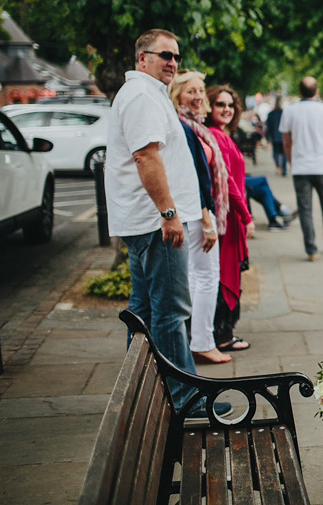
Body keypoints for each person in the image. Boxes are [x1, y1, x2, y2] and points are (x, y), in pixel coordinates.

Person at [105, 29, 230, 417]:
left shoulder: (147, 93)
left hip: (147, 221)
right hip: (156, 223)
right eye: (164, 55)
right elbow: (146, 158)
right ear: (142, 58)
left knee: (142, 309)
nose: (173, 62)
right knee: (172, 310)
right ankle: (185, 398)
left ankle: (143, 391)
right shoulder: (142, 95)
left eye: (175, 56)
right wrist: (170, 214)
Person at [167, 70, 229, 365]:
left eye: (200, 91)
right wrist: (207, 220)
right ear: (177, 94)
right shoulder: (183, 126)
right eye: (190, 91)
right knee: (205, 278)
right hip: (197, 214)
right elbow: (193, 178)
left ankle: (196, 340)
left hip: (197, 213)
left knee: (197, 276)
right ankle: (202, 342)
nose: (198, 97)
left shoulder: (193, 125)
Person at [206, 85, 255, 354]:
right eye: (219, 104)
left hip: (230, 216)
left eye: (230, 105)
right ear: (209, 108)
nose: (226, 109)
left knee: (227, 271)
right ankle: (222, 335)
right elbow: (228, 183)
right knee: (225, 274)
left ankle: (222, 332)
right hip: (228, 217)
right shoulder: (217, 137)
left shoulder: (223, 135)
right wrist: (247, 217)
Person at [280, 77, 323, 261]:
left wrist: (292, 161)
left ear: (300, 92)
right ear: (317, 91)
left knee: (305, 209)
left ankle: (311, 249)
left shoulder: (290, 111)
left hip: (301, 168)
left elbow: (286, 141)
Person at [265, 96, 287, 176]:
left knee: (276, 152)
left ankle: (278, 165)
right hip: (284, 137)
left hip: (275, 137)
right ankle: (284, 170)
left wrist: (267, 137)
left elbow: (268, 127)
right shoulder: (284, 113)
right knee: (284, 153)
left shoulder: (271, 114)